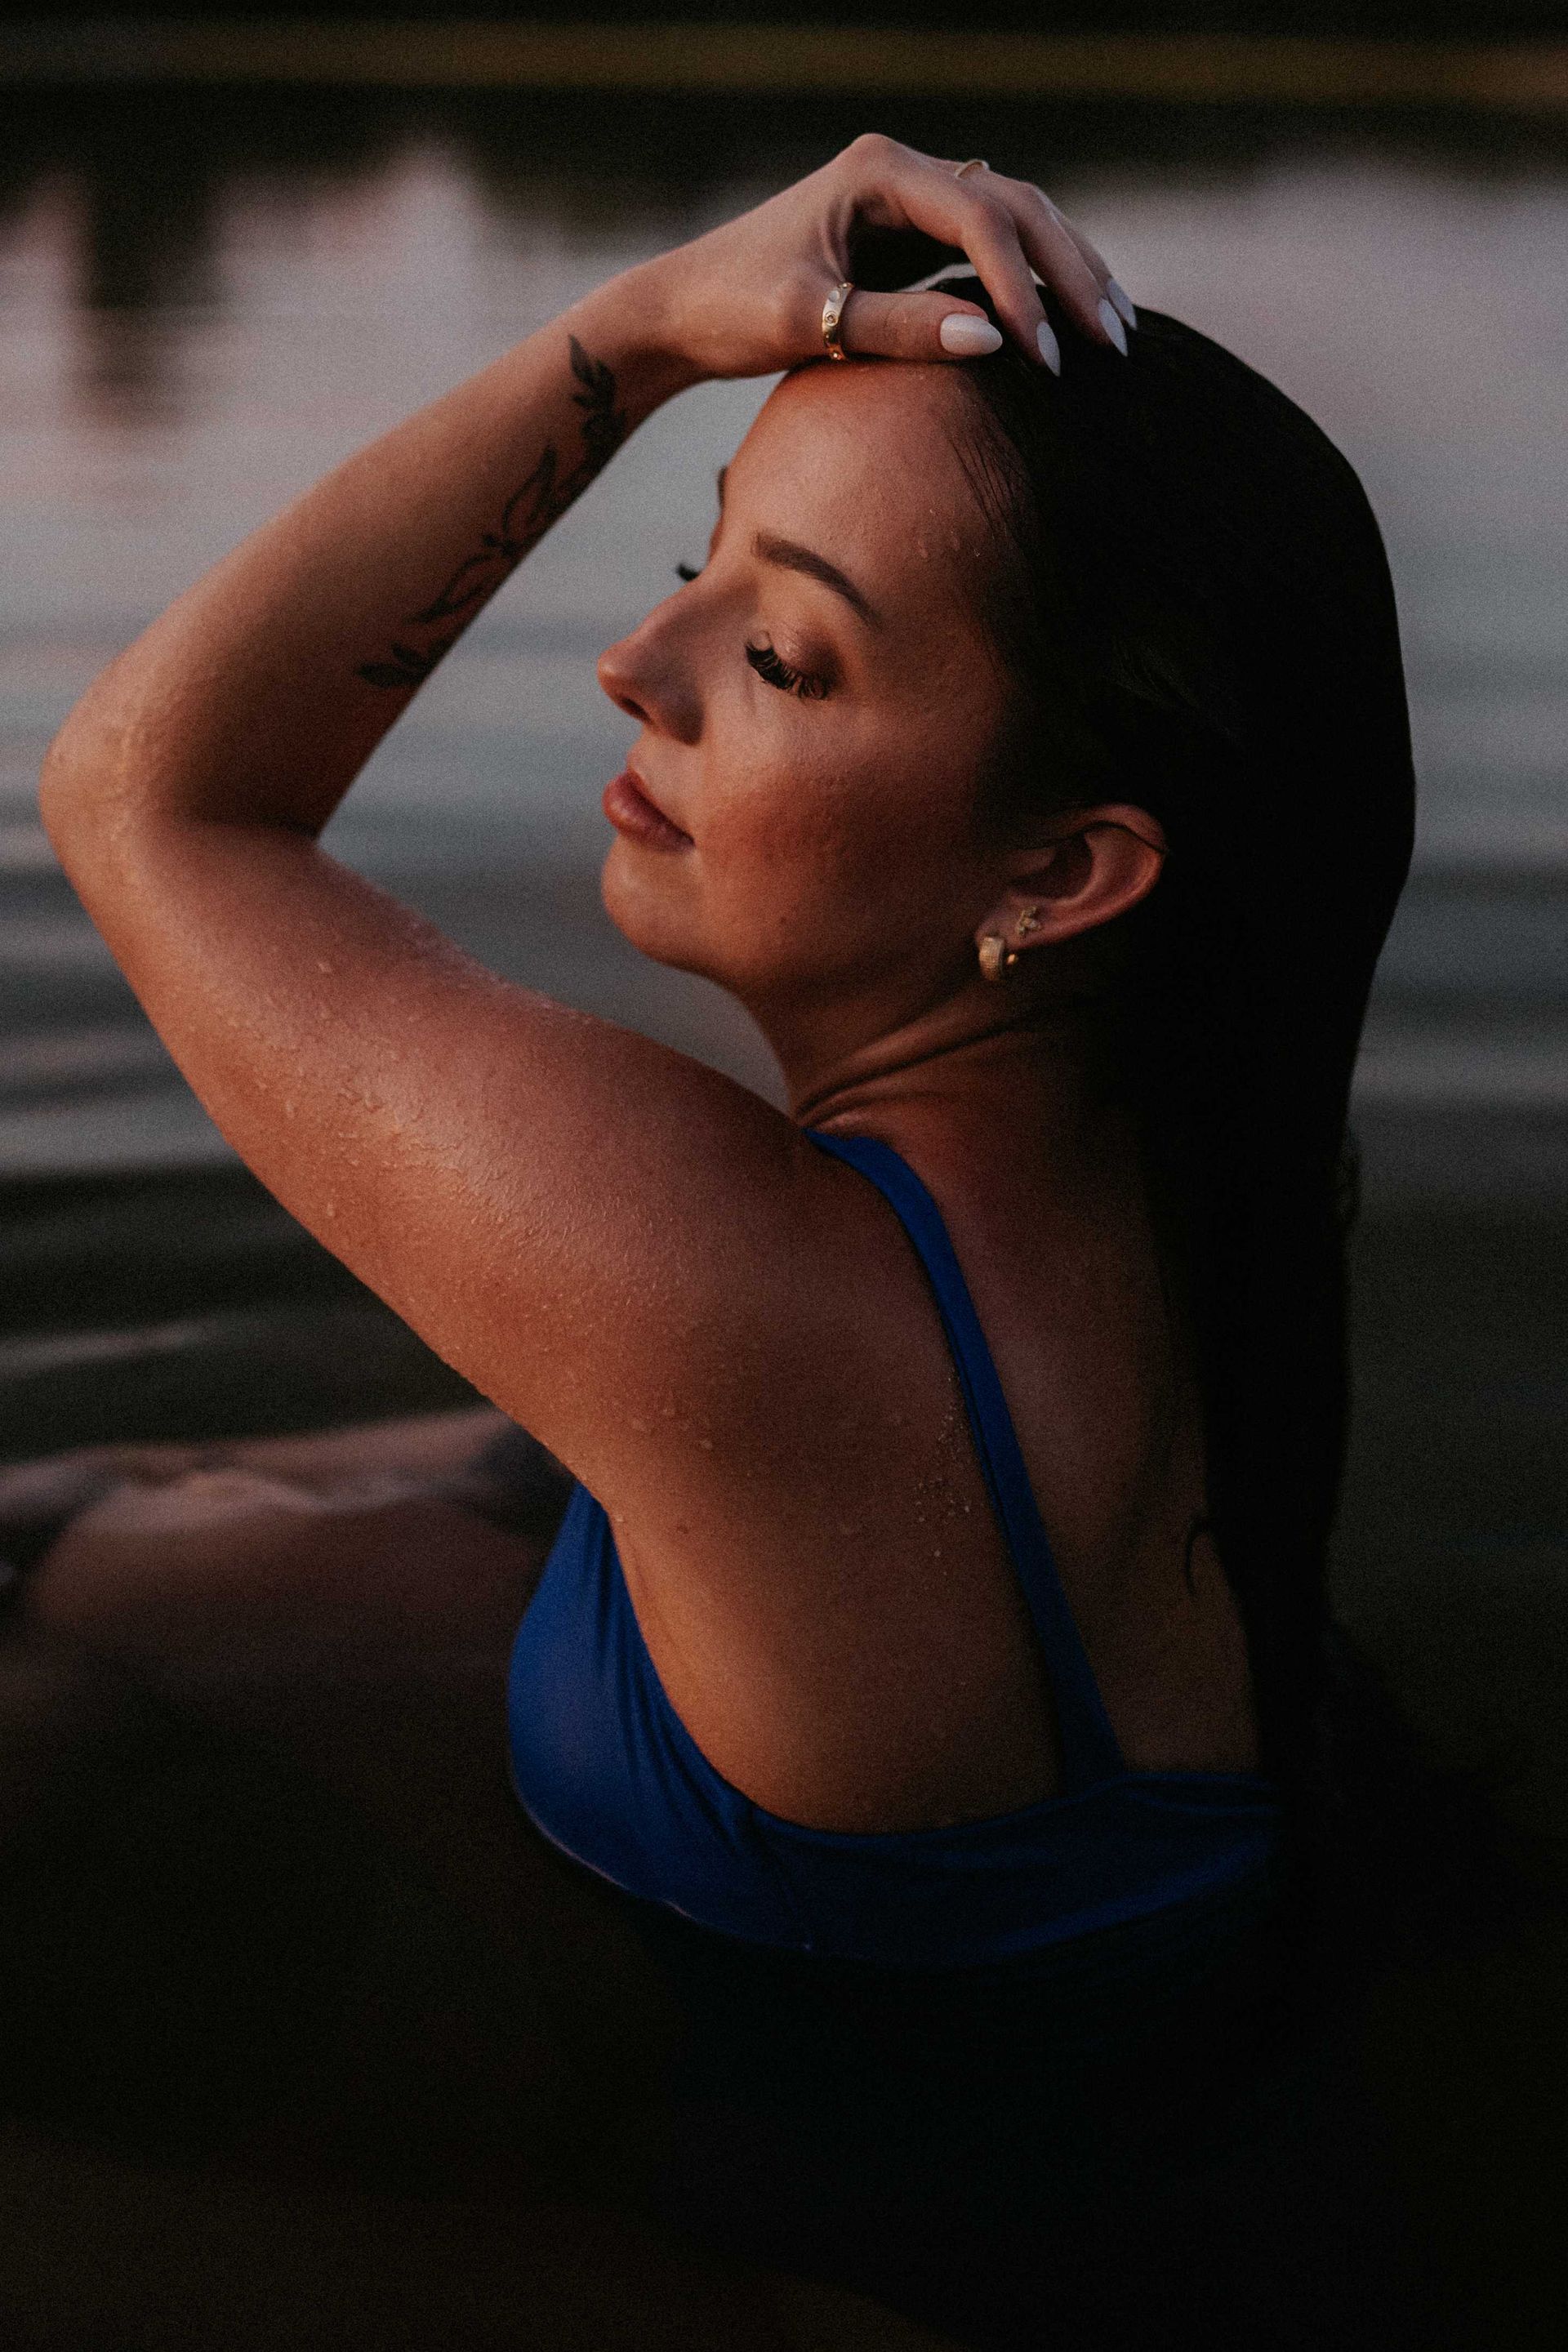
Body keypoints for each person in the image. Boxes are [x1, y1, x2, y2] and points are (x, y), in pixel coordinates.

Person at [32, 136, 1416, 2345]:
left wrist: (647, 327)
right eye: (704, 563)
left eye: (780, 653)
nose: (634, 661)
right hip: (1047, 2013)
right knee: (95, 1540)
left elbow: (144, 798)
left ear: (1063, 876)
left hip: (820, 2279)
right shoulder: (1172, 1198)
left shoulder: (761, 1299)